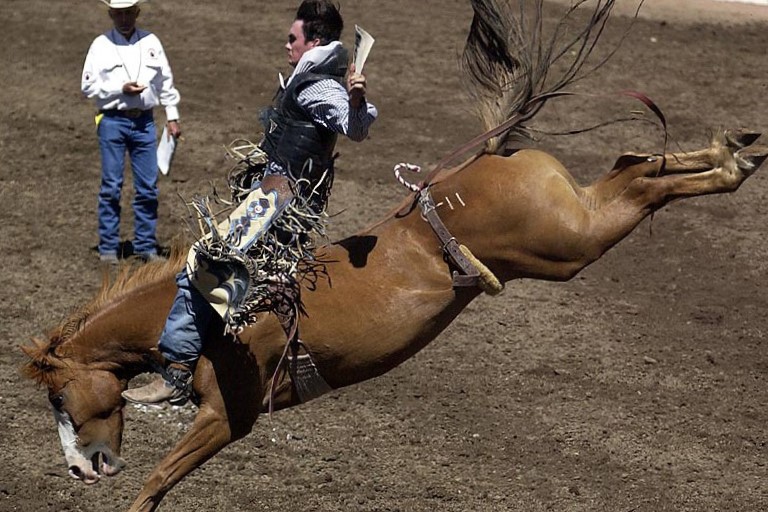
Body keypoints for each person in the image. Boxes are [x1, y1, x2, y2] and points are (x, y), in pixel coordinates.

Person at [122, 0, 377, 405]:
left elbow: (352, 125)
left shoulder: (319, 85)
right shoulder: (314, 75)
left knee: (203, 265)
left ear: (314, 41)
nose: (286, 43)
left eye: (292, 38)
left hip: (275, 202)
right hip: (276, 195)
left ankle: (177, 371)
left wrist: (358, 101)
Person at [82, 0, 181, 263]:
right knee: (112, 186)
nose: (124, 18)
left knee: (148, 187)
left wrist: (172, 116)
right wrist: (119, 89)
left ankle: (146, 245)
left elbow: (165, 81)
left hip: (145, 123)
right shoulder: (100, 46)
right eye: (119, 14)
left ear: (137, 13)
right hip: (112, 120)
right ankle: (108, 247)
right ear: (111, 14)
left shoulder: (151, 43)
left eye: (129, 13)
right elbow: (87, 86)